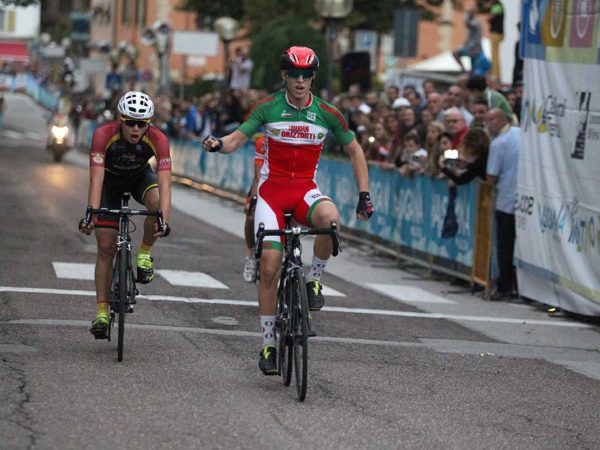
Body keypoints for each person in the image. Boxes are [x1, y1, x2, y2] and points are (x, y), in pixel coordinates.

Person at [203, 46, 373, 375]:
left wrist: (364, 194)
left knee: (331, 220)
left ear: (313, 77)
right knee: (269, 267)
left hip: (305, 190)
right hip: (272, 193)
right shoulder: (268, 107)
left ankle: (314, 281)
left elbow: (355, 150)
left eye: (306, 75)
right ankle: (268, 344)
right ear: (284, 75)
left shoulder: (327, 112)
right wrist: (218, 144)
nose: (299, 80)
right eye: (294, 74)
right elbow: (237, 139)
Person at [79, 91, 172, 339]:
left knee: (156, 205)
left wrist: (164, 220)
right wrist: (91, 214)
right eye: (130, 122)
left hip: (140, 178)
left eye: (141, 123)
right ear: (120, 119)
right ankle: (101, 313)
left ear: (148, 123)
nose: (135, 128)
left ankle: (144, 254)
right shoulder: (103, 134)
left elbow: (165, 184)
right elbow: (96, 179)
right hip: (109, 182)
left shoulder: (159, 139)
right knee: (106, 246)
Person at [485, 108, 521, 300]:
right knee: (518, 244)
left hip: (506, 199)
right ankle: (516, 284)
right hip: (524, 199)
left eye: (490, 120)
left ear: (501, 120)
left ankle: (505, 285)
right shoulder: (520, 133)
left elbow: (491, 176)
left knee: (505, 246)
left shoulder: (498, 143)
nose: (487, 125)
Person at [242, 134, 266, 283]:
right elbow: (258, 177)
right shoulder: (263, 142)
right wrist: (253, 200)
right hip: (264, 184)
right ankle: (251, 254)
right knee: (251, 216)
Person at [486, 0, 504, 81]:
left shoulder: (497, 7)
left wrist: (489, 9)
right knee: (494, 55)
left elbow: (490, 18)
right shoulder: (497, 6)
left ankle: (496, 75)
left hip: (496, 33)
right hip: (496, 33)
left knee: (495, 55)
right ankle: (495, 74)